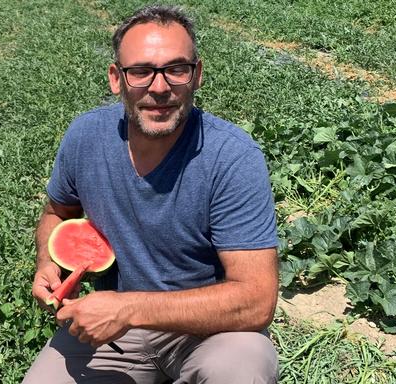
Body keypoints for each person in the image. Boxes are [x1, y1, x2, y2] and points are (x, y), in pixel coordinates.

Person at [22, 5, 279, 384]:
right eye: (140, 71)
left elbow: (256, 300)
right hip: (112, 335)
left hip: (210, 330)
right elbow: (56, 213)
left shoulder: (232, 157)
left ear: (197, 75)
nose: (159, 88)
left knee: (241, 369)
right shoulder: (85, 138)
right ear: (116, 78)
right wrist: (48, 262)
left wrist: (128, 309)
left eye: (176, 69)